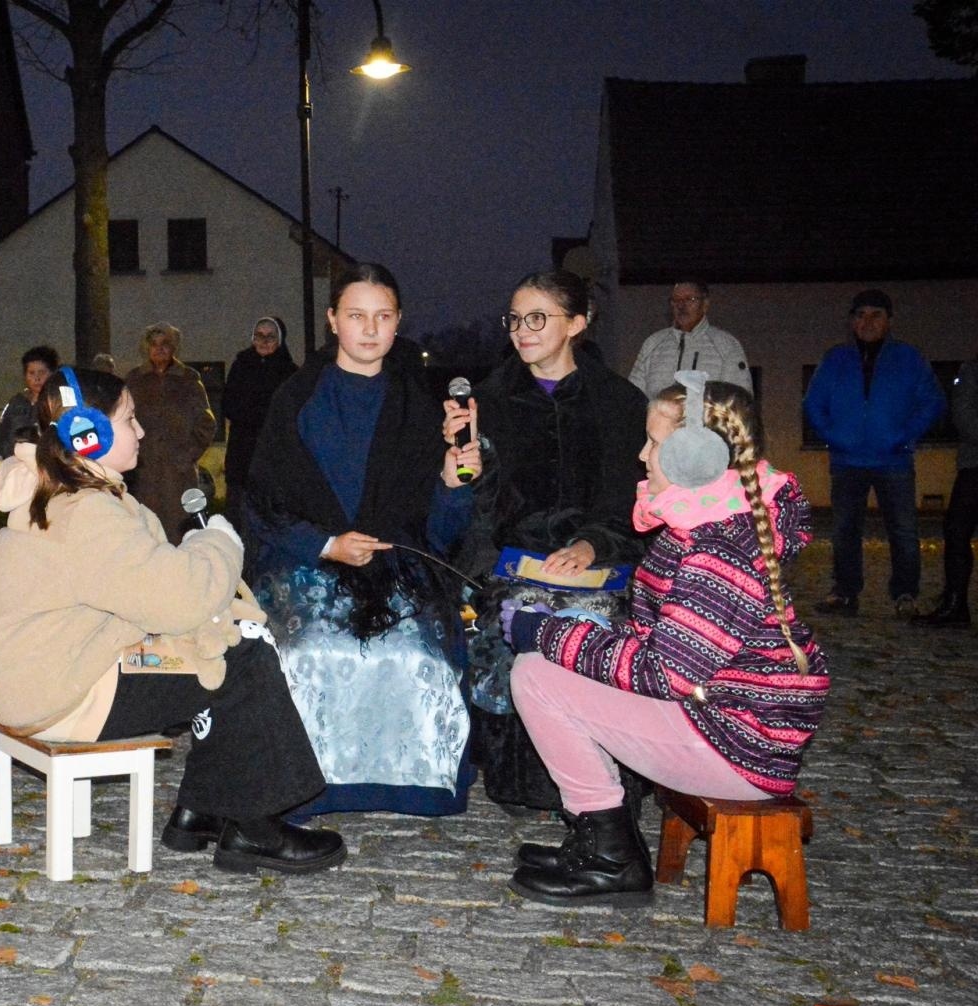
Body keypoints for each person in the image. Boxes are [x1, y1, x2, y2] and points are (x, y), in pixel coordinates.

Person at [0, 365, 345, 874]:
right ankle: (254, 826)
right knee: (244, 658)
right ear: (90, 434)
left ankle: (200, 811)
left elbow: (143, 587)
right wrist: (218, 542)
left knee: (212, 647)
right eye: (129, 419)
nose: (142, 431)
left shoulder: (56, 490)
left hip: (39, 677)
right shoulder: (86, 511)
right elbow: (183, 600)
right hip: (65, 694)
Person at [501, 374, 828, 906]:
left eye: (654, 443)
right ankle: (601, 839)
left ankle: (611, 856)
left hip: (736, 748)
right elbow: (663, 641)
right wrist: (577, 630)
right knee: (548, 665)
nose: (642, 455)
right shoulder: (702, 523)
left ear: (694, 456)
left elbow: (664, 672)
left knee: (536, 675)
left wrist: (545, 631)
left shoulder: (718, 549)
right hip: (720, 724)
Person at [247, 264, 477, 817]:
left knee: (415, 653)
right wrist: (326, 544)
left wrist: (453, 483)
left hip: (395, 566)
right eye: (356, 316)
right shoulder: (296, 399)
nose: (370, 330)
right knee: (308, 651)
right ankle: (304, 787)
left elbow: (438, 532)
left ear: (399, 322)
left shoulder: (420, 407)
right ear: (332, 320)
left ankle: (415, 784)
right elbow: (263, 503)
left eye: (383, 317)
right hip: (307, 559)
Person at [449, 270, 648, 813]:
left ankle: (605, 782)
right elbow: (481, 507)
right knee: (514, 615)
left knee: (597, 621)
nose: (522, 330)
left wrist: (592, 544)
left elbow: (630, 495)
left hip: (600, 558)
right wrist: (466, 472)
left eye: (537, 318)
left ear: (576, 323)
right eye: (515, 319)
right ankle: (524, 783)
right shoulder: (488, 401)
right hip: (515, 558)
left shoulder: (619, 402)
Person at [802, 290, 945, 618]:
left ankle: (905, 594)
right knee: (844, 530)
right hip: (847, 460)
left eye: (876, 315)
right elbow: (812, 403)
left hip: (893, 460)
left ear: (889, 320)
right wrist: (834, 436)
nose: (867, 322)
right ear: (852, 321)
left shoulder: (908, 358)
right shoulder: (835, 359)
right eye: (860, 315)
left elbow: (932, 401)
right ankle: (845, 592)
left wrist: (904, 436)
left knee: (903, 530)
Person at [124, 323, 216, 543]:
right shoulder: (134, 380)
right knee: (144, 533)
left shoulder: (188, 378)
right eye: (154, 344)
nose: (159, 348)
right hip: (143, 474)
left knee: (180, 533)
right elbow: (121, 420)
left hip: (178, 475)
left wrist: (187, 455)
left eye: (165, 343)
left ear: (174, 347)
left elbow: (206, 423)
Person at [913, 350, 977, 628]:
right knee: (956, 531)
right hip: (974, 465)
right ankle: (955, 603)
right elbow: (963, 414)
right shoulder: (972, 369)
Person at [221, 316, 296, 525]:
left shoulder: (289, 372)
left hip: (274, 457)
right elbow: (228, 404)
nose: (263, 341)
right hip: (241, 456)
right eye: (259, 336)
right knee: (239, 516)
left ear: (279, 340)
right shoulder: (241, 366)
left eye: (270, 336)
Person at [628, 280, 751, 397]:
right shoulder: (652, 344)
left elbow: (739, 399)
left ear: (705, 304)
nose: (681, 305)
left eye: (690, 299)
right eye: (676, 300)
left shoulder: (727, 345)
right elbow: (632, 395)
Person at [0, 344, 59, 459]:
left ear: (52, 373)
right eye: (31, 373)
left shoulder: (58, 404)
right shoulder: (17, 403)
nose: (37, 378)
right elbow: (2, 437)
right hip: (15, 463)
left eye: (42, 372)